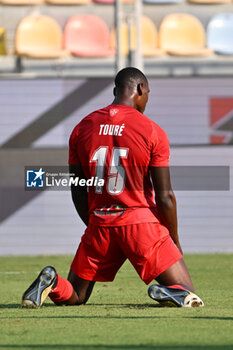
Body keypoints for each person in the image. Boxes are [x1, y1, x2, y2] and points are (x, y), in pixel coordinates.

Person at [21, 67, 204, 308]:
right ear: (140, 89)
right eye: (147, 92)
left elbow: (78, 188)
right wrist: (174, 239)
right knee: (187, 292)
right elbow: (165, 196)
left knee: (76, 295)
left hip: (101, 222)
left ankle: (52, 283)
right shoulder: (151, 130)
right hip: (141, 224)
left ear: (116, 91)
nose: (147, 98)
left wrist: (94, 225)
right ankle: (168, 292)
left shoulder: (82, 127)